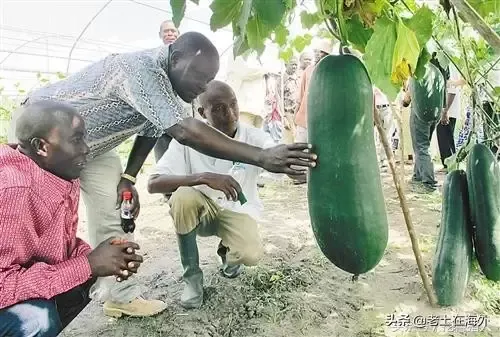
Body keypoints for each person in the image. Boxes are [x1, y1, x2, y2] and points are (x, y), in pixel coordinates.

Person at [7, 32, 316, 317]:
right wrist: (262, 157)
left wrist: (128, 178)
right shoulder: (140, 70)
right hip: (48, 140)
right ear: (175, 58)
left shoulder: (173, 92)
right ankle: (24, 297)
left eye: (209, 79)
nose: (203, 87)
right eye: (199, 76)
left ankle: (121, 296)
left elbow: (149, 129)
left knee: (117, 213)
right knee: (35, 224)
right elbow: (183, 131)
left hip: (94, 148)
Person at [0, 101, 143, 336]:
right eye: (76, 139)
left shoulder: (57, 172)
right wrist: (89, 264)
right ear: (42, 147)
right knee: (36, 319)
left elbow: (53, 247)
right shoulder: (13, 189)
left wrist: (103, 259)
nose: (86, 148)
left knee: (78, 284)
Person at [148, 81, 274, 309]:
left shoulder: (254, 137)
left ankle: (227, 251)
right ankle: (192, 279)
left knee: (251, 255)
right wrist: (203, 177)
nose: (230, 113)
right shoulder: (186, 141)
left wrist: (287, 160)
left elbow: (273, 152)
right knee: (183, 196)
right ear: (201, 112)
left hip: (238, 211)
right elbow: (153, 183)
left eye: (233, 103)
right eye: (218, 108)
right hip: (201, 213)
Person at [292, 39, 332, 184]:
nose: (317, 54)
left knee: (317, 148)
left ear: (327, 54)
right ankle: (298, 175)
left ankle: (315, 175)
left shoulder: (330, 72)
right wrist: (296, 114)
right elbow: (300, 95)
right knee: (300, 146)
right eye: (316, 51)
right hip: (304, 115)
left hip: (321, 118)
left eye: (321, 52)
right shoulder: (308, 71)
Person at [404, 62, 446, 192]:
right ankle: (417, 176)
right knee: (422, 146)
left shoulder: (416, 73)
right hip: (435, 114)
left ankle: (428, 182)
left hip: (420, 114)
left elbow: (407, 98)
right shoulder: (436, 71)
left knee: (421, 147)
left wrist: (404, 102)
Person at [154, 19, 180, 163]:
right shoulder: (155, 57)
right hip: (161, 123)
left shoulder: (186, 56)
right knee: (164, 163)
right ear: (160, 35)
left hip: (184, 119)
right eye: (166, 31)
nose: (170, 34)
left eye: (173, 31)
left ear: (178, 34)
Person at [436, 64, 465, 170]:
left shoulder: (448, 67)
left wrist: (445, 110)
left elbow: (452, 90)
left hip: (448, 110)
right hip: (447, 109)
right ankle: (449, 165)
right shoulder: (451, 66)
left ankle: (450, 166)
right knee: (446, 139)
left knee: (446, 140)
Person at [373, 86, 396, 168]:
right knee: (373, 135)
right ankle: (376, 159)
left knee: (386, 135)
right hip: (374, 108)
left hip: (386, 107)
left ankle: (385, 159)